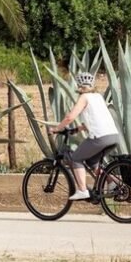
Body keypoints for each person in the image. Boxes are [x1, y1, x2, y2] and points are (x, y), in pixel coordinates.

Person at [49, 72, 120, 200]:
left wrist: (56, 129)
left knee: (75, 158)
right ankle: (112, 183)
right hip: (113, 136)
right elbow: (96, 119)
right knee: (92, 162)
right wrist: (77, 129)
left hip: (100, 137)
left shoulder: (84, 97)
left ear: (79, 86)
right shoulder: (98, 97)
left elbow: (70, 117)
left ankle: (82, 190)